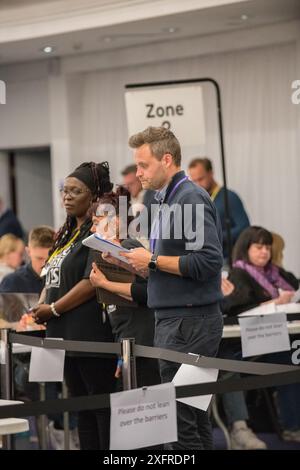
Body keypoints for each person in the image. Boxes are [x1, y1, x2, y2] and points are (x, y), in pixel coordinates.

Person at [108, 126, 224, 450]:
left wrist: (154, 261)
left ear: (167, 159)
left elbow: (208, 262)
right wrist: (128, 260)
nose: (137, 173)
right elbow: (165, 264)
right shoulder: (166, 199)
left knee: (181, 423)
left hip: (190, 322)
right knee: (191, 419)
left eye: (143, 165)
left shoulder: (189, 197)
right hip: (178, 319)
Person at [32, 162, 116, 450]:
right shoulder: (65, 234)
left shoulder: (99, 229)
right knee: (81, 406)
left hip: (89, 334)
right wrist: (41, 304)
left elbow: (90, 282)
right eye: (64, 190)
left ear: (93, 197)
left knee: (100, 405)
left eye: (75, 191)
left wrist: (53, 309)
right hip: (61, 334)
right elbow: (51, 277)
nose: (67, 196)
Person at [220, 226, 300, 443]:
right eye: (258, 247)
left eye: (267, 247)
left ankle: (293, 426)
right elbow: (238, 310)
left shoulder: (277, 273)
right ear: (246, 249)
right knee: (288, 358)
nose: (264, 252)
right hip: (245, 344)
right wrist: (275, 303)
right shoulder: (238, 274)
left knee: (293, 358)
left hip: (276, 340)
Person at [89, 186, 160, 388]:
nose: (93, 229)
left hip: (144, 343)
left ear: (116, 222)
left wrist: (104, 284)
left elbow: (147, 292)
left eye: (96, 223)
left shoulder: (129, 248)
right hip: (128, 342)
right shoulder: (107, 254)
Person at [188, 158, 250, 260]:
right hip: (204, 259)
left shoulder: (229, 197)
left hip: (227, 260)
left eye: (201, 179)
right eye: (194, 181)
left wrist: (216, 236)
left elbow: (244, 228)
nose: (197, 184)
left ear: (211, 173)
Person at [0, 225, 54, 293]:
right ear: (28, 252)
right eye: (39, 258)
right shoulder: (12, 282)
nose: (44, 264)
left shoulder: (64, 279)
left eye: (50, 259)